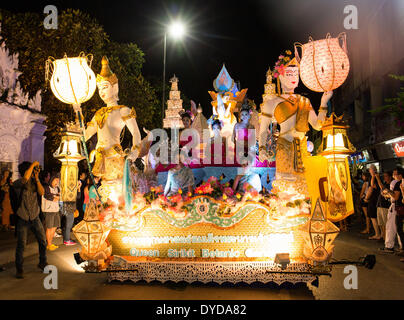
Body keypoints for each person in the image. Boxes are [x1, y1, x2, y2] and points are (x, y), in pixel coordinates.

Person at [10, 161, 47, 279]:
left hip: (35, 216)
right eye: (32, 170)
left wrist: (37, 179)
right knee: (22, 245)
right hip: (23, 217)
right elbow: (25, 178)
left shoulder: (34, 183)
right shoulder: (18, 183)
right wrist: (33, 164)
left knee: (43, 241)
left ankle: (42, 262)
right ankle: (19, 269)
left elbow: (42, 192)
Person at [379, 167, 403, 253]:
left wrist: (388, 191)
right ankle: (401, 247)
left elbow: (395, 197)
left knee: (392, 227)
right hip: (398, 207)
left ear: (399, 175)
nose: (393, 176)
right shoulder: (399, 183)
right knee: (399, 228)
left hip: (396, 207)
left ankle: (390, 246)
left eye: (394, 174)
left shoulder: (396, 183)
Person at [41, 175, 61, 250]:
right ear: (51, 180)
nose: (57, 182)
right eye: (56, 180)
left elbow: (58, 197)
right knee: (49, 227)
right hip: (48, 210)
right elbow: (49, 196)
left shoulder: (57, 188)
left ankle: (50, 243)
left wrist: (56, 197)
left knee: (54, 227)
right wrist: (56, 197)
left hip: (56, 210)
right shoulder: (46, 188)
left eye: (58, 181)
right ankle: (48, 244)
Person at [364, 165, 381, 240]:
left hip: (374, 200)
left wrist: (366, 198)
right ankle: (378, 233)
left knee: (373, 217)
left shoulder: (375, 177)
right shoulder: (373, 177)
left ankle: (377, 234)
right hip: (374, 199)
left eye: (370, 169)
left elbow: (372, 186)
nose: (369, 171)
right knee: (373, 217)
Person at [375, 171, 393, 241]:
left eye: (386, 176)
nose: (384, 177)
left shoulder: (391, 184)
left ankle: (387, 241)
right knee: (381, 224)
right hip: (380, 205)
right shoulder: (385, 183)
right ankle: (384, 238)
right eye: (384, 176)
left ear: (390, 177)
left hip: (385, 206)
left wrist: (378, 179)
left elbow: (383, 189)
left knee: (386, 224)